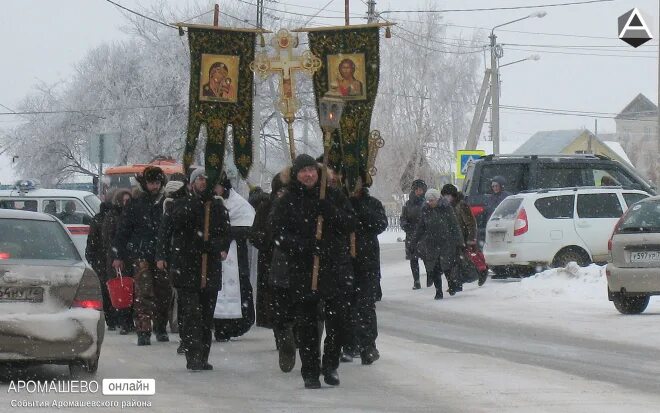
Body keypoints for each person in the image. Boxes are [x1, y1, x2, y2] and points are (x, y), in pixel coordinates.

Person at [271, 154, 356, 389]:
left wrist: (328, 210)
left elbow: (350, 223)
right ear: (295, 175)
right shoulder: (288, 200)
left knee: (338, 320)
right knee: (307, 324)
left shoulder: (332, 195)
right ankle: (309, 370)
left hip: (334, 267)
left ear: (318, 172)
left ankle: (330, 365)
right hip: (302, 268)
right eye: (303, 171)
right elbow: (277, 233)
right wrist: (304, 245)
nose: (308, 175)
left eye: (311, 170)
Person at [156, 169, 231, 371]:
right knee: (191, 314)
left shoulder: (216, 206)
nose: (202, 182)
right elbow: (167, 230)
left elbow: (225, 232)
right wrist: (161, 256)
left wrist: (219, 247)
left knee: (207, 315)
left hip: (210, 267)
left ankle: (203, 355)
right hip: (186, 266)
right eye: (198, 178)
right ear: (191, 182)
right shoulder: (179, 203)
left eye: (206, 179)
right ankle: (193, 355)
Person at [112, 166, 171, 346]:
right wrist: (119, 255)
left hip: (164, 255)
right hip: (141, 254)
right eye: (151, 183)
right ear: (144, 184)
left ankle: (160, 327)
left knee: (164, 293)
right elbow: (122, 231)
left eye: (157, 183)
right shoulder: (136, 204)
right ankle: (143, 330)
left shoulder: (167, 203)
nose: (154, 186)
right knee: (143, 294)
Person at [250, 172, 298, 372]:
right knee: (276, 304)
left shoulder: (297, 206)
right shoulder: (266, 208)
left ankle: (294, 335)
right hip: (271, 261)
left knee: (295, 302)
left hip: (294, 262)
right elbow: (256, 234)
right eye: (280, 191)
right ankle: (282, 336)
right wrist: (269, 240)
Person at [346, 180, 388, 365]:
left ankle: (368, 346)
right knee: (346, 306)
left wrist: (361, 210)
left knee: (365, 306)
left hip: (367, 263)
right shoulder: (340, 202)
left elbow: (379, 224)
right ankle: (348, 344)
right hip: (343, 263)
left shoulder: (372, 204)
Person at [212, 174, 256, 342]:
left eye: (218, 186)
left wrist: (228, 232)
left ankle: (236, 323)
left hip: (235, 253)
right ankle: (218, 324)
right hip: (216, 252)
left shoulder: (238, 204)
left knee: (240, 286)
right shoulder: (210, 203)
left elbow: (249, 226)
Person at [411, 189, 464, 300]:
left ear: (437, 199)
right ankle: (438, 291)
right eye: (428, 200)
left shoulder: (446, 208)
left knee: (447, 267)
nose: (430, 202)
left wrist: (459, 242)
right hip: (432, 243)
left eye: (432, 200)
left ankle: (451, 285)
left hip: (446, 242)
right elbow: (421, 227)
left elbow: (454, 225)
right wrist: (414, 241)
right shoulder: (425, 210)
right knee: (434, 268)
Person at [161, 178, 187, 354]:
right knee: (169, 294)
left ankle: (177, 324)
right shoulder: (167, 208)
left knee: (178, 295)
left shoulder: (180, 208)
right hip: (173, 258)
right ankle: (169, 324)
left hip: (180, 258)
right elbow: (164, 234)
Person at [441, 184, 487, 286]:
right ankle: (457, 282)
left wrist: (471, 238)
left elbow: (471, 223)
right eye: (444, 196)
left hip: (465, 236)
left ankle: (482, 270)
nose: (446, 198)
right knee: (459, 260)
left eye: (448, 196)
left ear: (453, 195)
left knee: (471, 256)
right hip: (455, 237)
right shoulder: (448, 207)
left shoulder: (461, 205)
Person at [102, 189, 134, 335]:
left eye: (129, 200)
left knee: (132, 289)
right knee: (121, 289)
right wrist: (117, 255)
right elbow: (109, 238)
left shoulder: (133, 215)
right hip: (117, 259)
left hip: (132, 257)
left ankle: (130, 320)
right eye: (125, 200)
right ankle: (124, 322)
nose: (127, 203)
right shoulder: (112, 216)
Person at [85, 200, 116, 329]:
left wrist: (90, 257)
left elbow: (91, 240)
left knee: (104, 288)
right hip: (111, 258)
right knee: (114, 287)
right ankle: (116, 316)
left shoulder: (97, 220)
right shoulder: (113, 219)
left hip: (101, 259)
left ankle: (110, 318)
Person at [400, 179, 428, 290]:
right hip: (411, 235)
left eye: (420, 189)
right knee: (413, 258)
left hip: (424, 235)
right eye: (417, 189)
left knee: (427, 258)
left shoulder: (426, 203)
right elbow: (403, 218)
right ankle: (416, 281)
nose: (418, 192)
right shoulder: (408, 204)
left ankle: (430, 277)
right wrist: (405, 226)